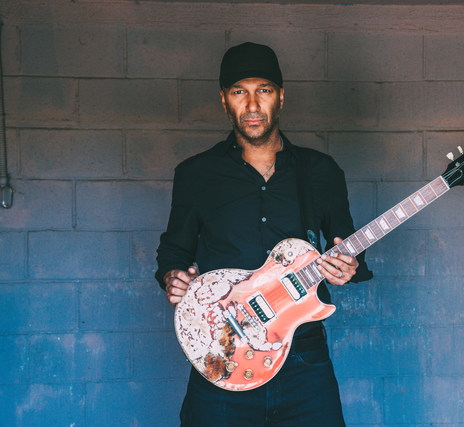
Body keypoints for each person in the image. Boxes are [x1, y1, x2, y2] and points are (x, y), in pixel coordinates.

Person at [155, 42, 372, 427]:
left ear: (281, 97)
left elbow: (346, 244)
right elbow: (174, 252)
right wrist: (173, 277)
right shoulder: (196, 174)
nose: (253, 105)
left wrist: (348, 266)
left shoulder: (319, 171)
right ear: (224, 100)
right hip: (223, 352)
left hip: (304, 359)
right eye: (240, 92)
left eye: (264, 90)